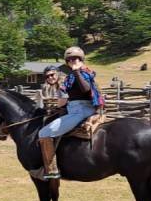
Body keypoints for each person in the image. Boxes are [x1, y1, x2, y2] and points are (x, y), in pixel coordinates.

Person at [38, 46, 103, 179]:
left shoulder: (83, 73)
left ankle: (52, 170)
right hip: (76, 109)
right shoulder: (71, 77)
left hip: (80, 111)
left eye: (75, 58)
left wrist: (77, 71)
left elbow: (85, 89)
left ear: (81, 59)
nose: (72, 61)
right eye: (69, 59)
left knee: (43, 133)